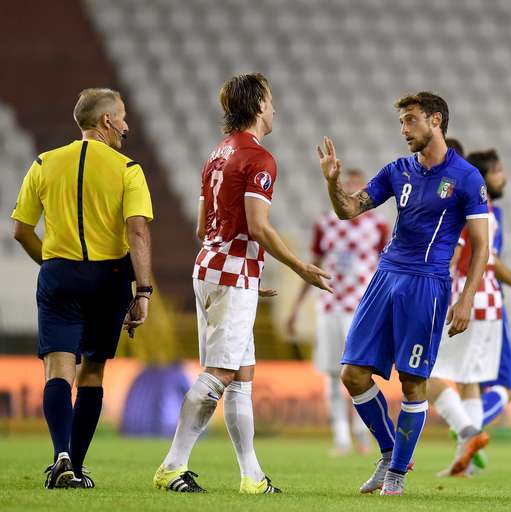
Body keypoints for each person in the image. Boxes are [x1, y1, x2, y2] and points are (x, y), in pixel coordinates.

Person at [154, 73, 332, 495]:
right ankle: (171, 466)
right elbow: (258, 225)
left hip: (213, 267)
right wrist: (298, 267)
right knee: (219, 374)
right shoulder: (259, 158)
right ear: (256, 106)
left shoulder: (215, 155)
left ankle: (252, 477)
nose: (274, 108)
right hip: (231, 274)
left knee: (242, 376)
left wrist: (247, 277)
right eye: (270, 100)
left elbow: (204, 226)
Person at [317, 91, 490, 496]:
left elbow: (480, 244)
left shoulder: (466, 177)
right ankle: (391, 452)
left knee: (413, 382)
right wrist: (332, 183)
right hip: (386, 276)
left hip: (427, 285)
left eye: (410, 120)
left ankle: (395, 474)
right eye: (401, 122)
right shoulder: (398, 170)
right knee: (352, 374)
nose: (403, 129)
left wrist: (466, 298)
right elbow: (349, 209)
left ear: (435, 121)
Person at [11, 88, 153, 489]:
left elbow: (21, 230)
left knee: (58, 369)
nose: (127, 125)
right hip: (108, 279)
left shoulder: (44, 163)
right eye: (122, 117)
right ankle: (78, 461)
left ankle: (60, 456)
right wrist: (143, 291)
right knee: (91, 370)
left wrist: (51, 262)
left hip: (59, 276)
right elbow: (138, 230)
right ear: (106, 121)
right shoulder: (128, 170)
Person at [428, 148, 511, 477]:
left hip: (465, 298)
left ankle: (466, 430)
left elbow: (453, 256)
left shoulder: (463, 207)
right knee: (470, 378)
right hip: (491, 301)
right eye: (499, 170)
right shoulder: (487, 209)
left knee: (425, 374)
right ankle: (467, 462)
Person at [286, 168, 390, 456]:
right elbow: (315, 264)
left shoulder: (378, 226)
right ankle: (341, 436)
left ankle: (362, 431)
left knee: (360, 370)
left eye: (359, 187)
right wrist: (296, 306)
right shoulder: (326, 223)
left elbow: (386, 267)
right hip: (330, 305)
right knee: (332, 373)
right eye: (350, 186)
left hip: (362, 307)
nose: (354, 191)